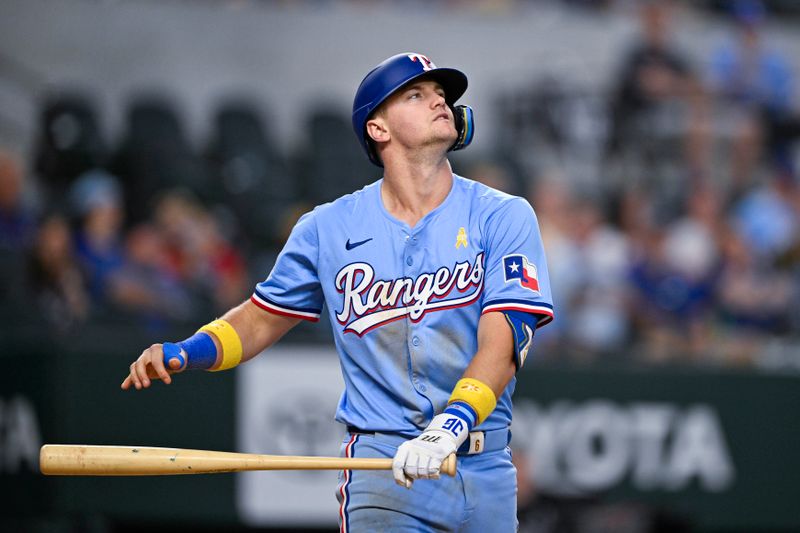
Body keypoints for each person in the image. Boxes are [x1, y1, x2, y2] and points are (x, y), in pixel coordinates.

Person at [121, 52, 554, 531]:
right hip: (385, 468)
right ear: (378, 128)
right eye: (417, 95)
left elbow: (505, 340)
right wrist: (186, 350)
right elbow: (262, 318)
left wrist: (449, 426)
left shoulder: (503, 214)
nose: (439, 103)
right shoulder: (327, 227)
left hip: (483, 459)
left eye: (442, 96)